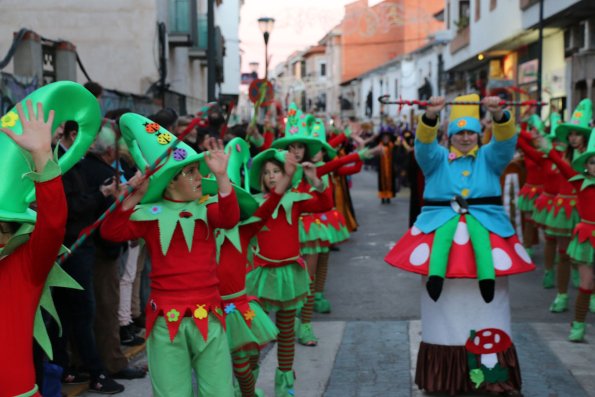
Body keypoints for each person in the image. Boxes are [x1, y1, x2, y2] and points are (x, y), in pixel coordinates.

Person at [385, 94, 535, 395]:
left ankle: (493, 375)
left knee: (490, 309)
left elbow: (506, 143)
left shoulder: (490, 157)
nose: (465, 138)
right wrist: (430, 117)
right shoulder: (437, 158)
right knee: (442, 309)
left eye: (470, 133)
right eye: (459, 133)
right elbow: (424, 146)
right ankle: (445, 377)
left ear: (479, 135)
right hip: (440, 230)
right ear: (449, 135)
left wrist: (499, 115)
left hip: (488, 233)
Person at [101, 113, 238, 396]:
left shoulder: (207, 206)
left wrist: (222, 176)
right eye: (190, 172)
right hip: (166, 317)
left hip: (208, 313)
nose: (199, 178)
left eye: (198, 171)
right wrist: (135, 195)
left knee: (220, 391)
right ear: (169, 182)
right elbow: (111, 233)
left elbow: (229, 218)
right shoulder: (151, 214)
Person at [246, 148, 331, 397]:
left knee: (286, 332)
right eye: (267, 173)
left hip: (289, 275)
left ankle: (285, 386)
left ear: (286, 174)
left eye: (277, 171)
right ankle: (247, 386)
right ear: (261, 178)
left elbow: (324, 204)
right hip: (260, 275)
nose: (272, 176)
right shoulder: (254, 203)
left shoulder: (295, 200)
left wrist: (314, 179)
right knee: (254, 334)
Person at [536, 128, 595, 341]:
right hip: (587, 238)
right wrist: (547, 148)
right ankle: (578, 325)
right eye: (592, 162)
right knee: (586, 283)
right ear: (586, 167)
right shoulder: (580, 183)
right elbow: (562, 166)